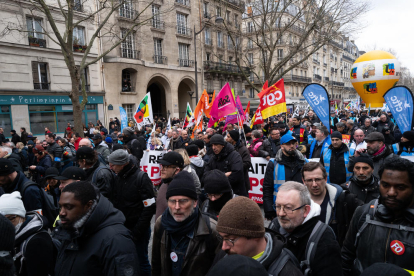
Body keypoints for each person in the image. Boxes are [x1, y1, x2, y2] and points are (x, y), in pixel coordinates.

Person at [341, 157, 414, 275]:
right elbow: (346, 256)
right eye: (385, 185)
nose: (391, 192)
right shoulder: (364, 213)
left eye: (400, 187)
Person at [53, 181, 139, 276]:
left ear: (88, 206)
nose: (62, 213)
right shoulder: (71, 230)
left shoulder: (116, 240)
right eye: (60, 207)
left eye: (68, 207)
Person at [151, 171, 221, 276]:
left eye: (183, 201)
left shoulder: (211, 230)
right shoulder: (161, 224)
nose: (177, 207)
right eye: (172, 201)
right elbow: (156, 264)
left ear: (195, 202)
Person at [213, 196, 303, 275]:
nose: (224, 247)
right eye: (222, 238)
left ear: (255, 235)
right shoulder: (224, 255)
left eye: (230, 239)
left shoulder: (287, 271)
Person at [269, 181, 343, 276]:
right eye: (278, 206)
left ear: (305, 210)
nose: (281, 214)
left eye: (288, 208)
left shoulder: (324, 240)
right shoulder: (274, 225)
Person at [107, 149, 155, 276]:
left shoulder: (141, 178)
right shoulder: (119, 177)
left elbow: (149, 207)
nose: (110, 167)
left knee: (141, 260)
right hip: (123, 229)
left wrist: (137, 232)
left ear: (123, 164)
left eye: (113, 165)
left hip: (138, 231)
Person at [301, 162, 362, 246]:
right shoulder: (298, 202)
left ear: (325, 179)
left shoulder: (344, 199)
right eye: (309, 180)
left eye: (318, 179)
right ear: (303, 181)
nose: (314, 184)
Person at [0, 191, 54, 276]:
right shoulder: (10, 235)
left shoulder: (37, 241)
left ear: (21, 216)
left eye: (10, 218)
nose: (7, 223)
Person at [263, 135, 307, 220]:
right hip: (281, 207)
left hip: (300, 206)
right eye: (288, 144)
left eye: (293, 143)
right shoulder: (274, 163)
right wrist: (268, 209)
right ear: (282, 146)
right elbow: (267, 187)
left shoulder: (304, 162)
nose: (292, 146)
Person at [155, 152, 184, 219]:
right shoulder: (165, 183)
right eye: (162, 166)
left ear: (177, 170)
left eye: (166, 167)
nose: (161, 169)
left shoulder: (181, 191)